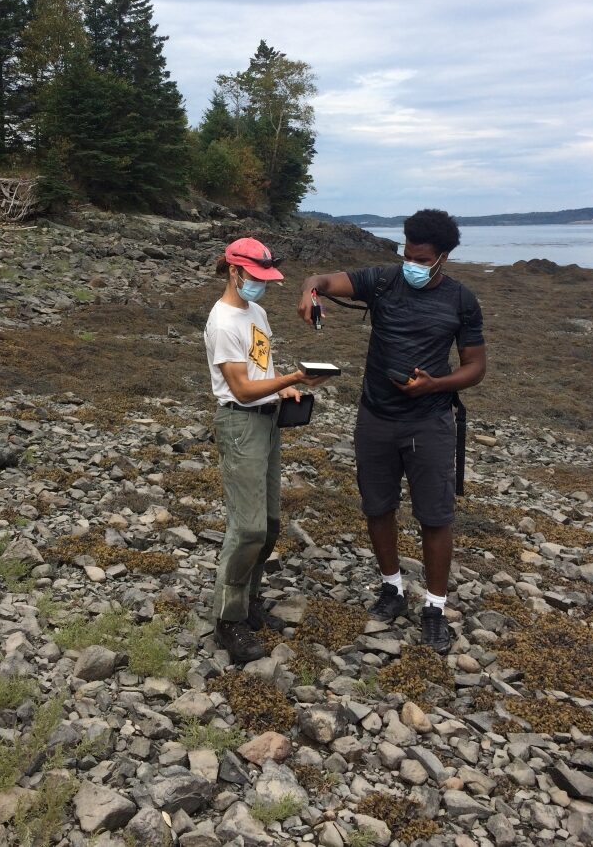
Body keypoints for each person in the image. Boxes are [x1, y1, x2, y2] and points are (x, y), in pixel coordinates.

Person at [298, 209, 486, 654]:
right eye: (407, 252)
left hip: (431, 420)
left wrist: (435, 385)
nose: (411, 264)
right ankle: (392, 588)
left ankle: (435, 607)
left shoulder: (462, 301)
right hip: (376, 417)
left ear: (443, 257)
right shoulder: (382, 281)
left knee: (435, 516)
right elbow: (322, 279)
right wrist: (310, 291)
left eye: (421, 259)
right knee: (377, 506)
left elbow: (476, 367)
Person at [205, 237, 326, 664]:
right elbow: (239, 387)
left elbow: (261, 366)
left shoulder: (256, 312)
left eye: (266, 279)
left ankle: (250, 598)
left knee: (270, 523)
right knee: (247, 528)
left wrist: (285, 384)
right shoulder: (222, 322)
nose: (262, 286)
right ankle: (228, 619)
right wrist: (292, 376)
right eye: (256, 278)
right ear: (235, 273)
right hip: (239, 423)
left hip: (267, 420)